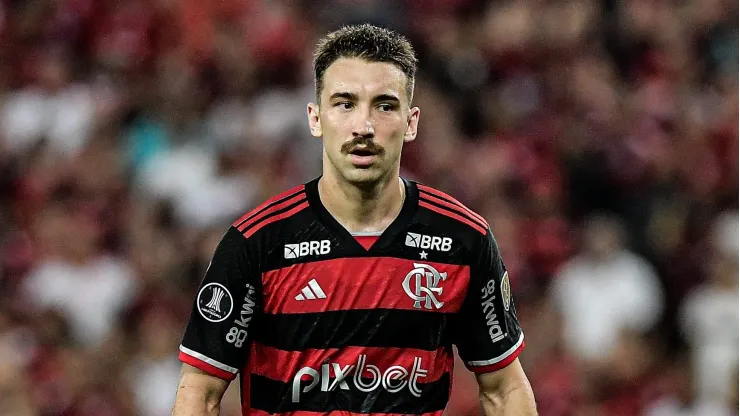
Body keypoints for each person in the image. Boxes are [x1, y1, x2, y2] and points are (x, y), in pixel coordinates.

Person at [172, 24, 537, 416]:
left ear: (411, 122)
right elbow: (200, 393)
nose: (364, 127)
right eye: (345, 103)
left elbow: (504, 388)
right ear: (315, 118)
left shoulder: (463, 239)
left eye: (384, 105)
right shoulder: (257, 243)